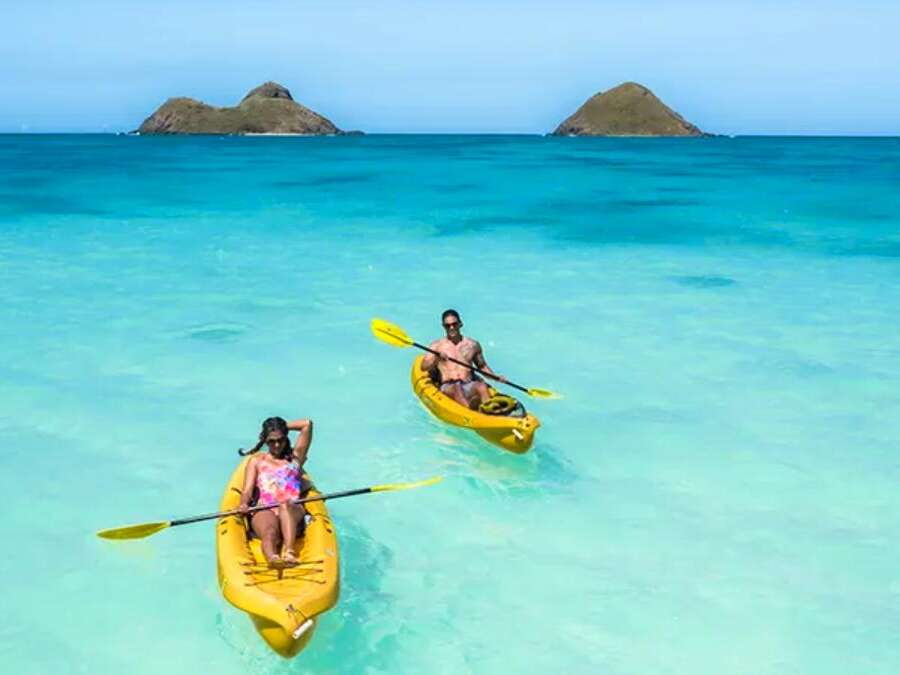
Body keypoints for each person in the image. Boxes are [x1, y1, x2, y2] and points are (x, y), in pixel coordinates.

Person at [238, 416, 313, 566]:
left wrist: (282, 427)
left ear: (286, 438)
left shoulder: (295, 458)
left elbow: (307, 424)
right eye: (272, 441)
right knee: (269, 532)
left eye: (281, 439)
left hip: (292, 508)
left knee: (285, 505)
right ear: (266, 441)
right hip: (266, 508)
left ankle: (289, 552)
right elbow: (247, 490)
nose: (277, 445)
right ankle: (273, 558)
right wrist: (244, 504)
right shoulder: (257, 461)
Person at [420, 309, 507, 410]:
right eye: (447, 325)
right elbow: (424, 367)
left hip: (468, 384)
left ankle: (490, 411)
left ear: (460, 324)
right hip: (448, 386)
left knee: (481, 386)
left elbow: (482, 366)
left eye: (454, 324)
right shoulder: (436, 346)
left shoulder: (472, 345)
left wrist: (495, 377)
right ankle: (470, 412)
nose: (451, 327)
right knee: (456, 389)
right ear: (443, 326)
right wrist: (436, 358)